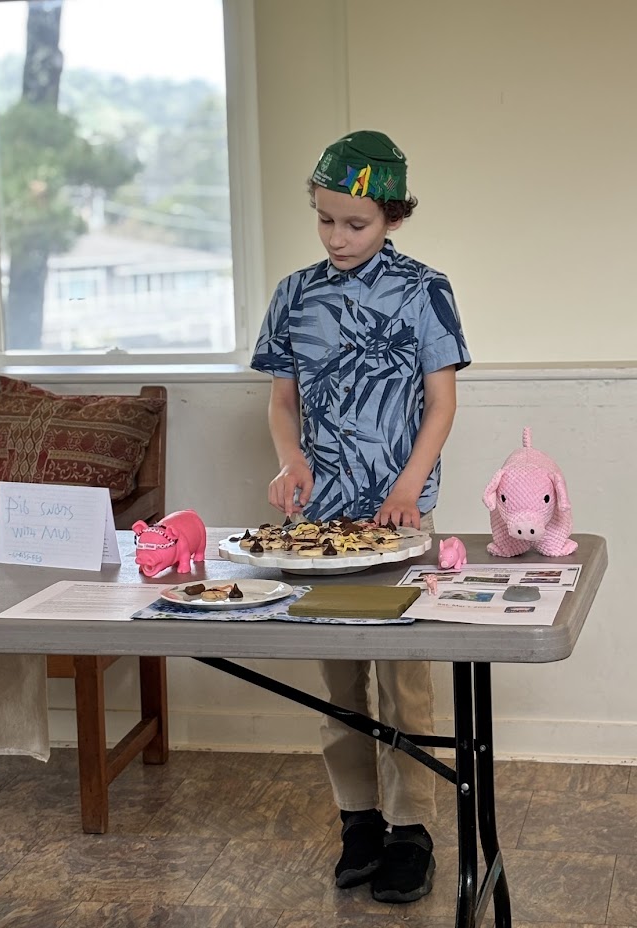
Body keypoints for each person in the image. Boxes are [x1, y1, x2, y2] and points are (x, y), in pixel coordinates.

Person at [250, 129, 471, 904]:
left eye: (355, 223)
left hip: (398, 519)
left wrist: (408, 487)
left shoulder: (424, 290)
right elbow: (283, 401)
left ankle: (412, 830)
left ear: (393, 217)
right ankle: (360, 822)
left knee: (404, 679)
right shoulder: (294, 293)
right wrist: (291, 461)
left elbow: (441, 404)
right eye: (324, 220)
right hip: (321, 525)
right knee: (338, 684)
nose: (337, 237)